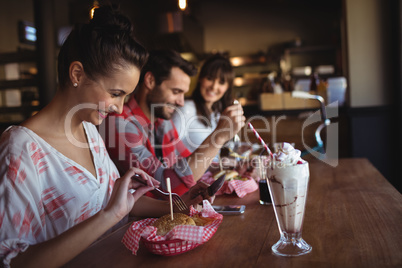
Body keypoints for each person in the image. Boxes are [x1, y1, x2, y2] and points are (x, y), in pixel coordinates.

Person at [0, 6, 209, 268]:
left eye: (125, 96)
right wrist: (108, 216)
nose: (120, 109)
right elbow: (13, 261)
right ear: (77, 74)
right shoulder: (21, 148)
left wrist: (180, 204)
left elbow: (121, 204)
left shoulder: (89, 130)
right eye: (115, 93)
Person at [103, 50, 245, 196]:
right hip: (138, 218)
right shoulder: (120, 123)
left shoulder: (163, 122)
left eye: (183, 93)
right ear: (150, 81)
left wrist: (235, 169)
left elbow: (188, 161)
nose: (181, 102)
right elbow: (166, 186)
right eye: (176, 91)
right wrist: (218, 137)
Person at [172, 53, 235, 161]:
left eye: (221, 82)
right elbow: (171, 152)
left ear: (227, 87)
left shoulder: (217, 113)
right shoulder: (186, 108)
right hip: (189, 176)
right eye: (210, 78)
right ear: (200, 78)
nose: (214, 86)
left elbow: (214, 156)